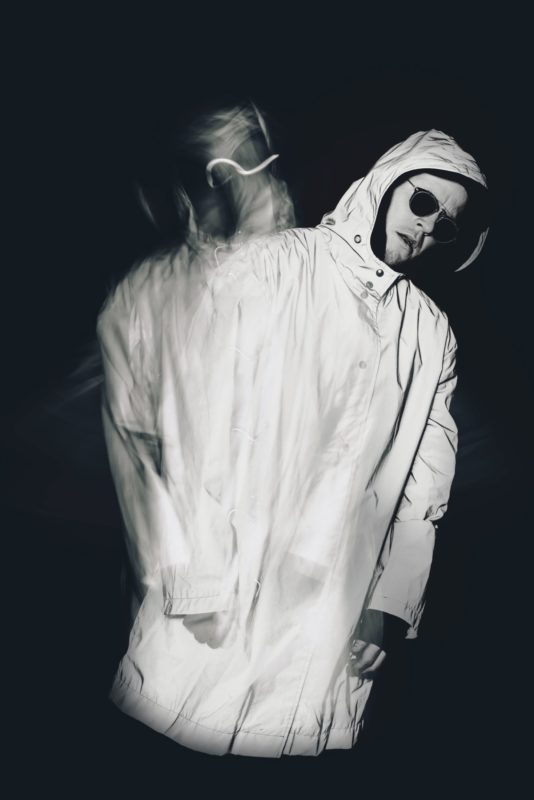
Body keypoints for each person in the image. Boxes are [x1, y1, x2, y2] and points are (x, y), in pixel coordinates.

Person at [96, 124, 489, 758]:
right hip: (219, 592)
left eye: (446, 225)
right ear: (387, 185)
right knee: (163, 744)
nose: (427, 227)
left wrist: (391, 603)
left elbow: (424, 489)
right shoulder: (277, 264)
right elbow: (188, 413)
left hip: (326, 618)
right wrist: (191, 566)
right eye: (422, 201)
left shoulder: (430, 332)